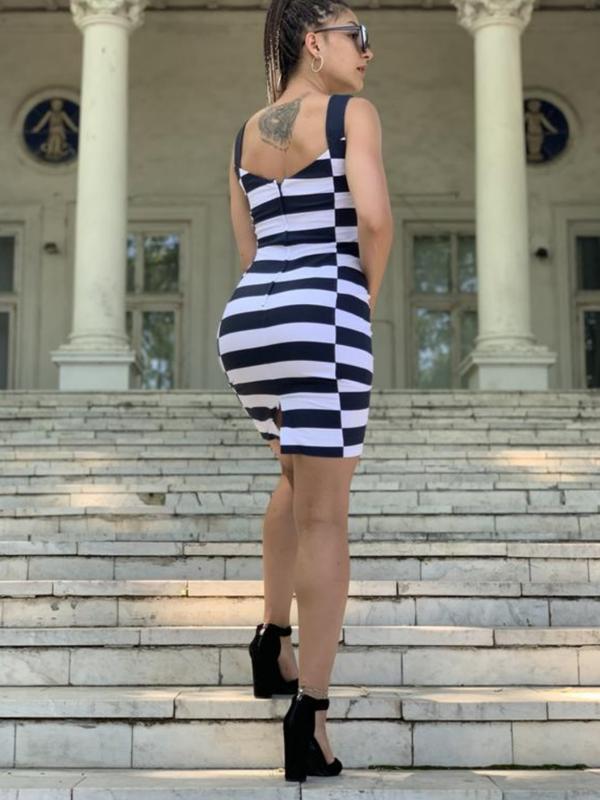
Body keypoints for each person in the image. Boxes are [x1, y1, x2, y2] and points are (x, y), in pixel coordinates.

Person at [216, 0, 394, 782]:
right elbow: (375, 221)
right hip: (323, 311)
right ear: (317, 43)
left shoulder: (246, 132)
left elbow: (248, 246)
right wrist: (360, 302)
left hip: (249, 326)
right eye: (360, 38)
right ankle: (310, 715)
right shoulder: (352, 116)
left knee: (294, 478)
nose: (369, 53)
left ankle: (271, 640)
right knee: (326, 516)